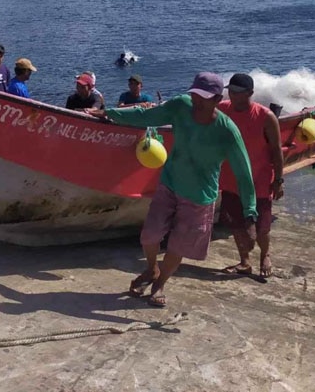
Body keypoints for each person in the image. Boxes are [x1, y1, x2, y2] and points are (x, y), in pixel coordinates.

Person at [87, 72, 256, 308]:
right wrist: (109, 113)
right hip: (170, 183)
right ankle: (151, 269)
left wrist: (250, 213)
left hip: (199, 195)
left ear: (218, 99)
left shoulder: (227, 131)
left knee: (178, 246)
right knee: (150, 235)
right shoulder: (181, 105)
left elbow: (244, 173)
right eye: (194, 94)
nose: (196, 101)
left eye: (204, 97)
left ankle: (160, 285)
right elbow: (147, 115)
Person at [217, 73, 284, 279]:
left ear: (250, 93)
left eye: (238, 92)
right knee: (236, 225)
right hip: (231, 180)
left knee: (261, 227)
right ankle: (244, 261)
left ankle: (265, 255)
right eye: (230, 91)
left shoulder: (266, 117)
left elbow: (276, 150)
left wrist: (278, 181)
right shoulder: (222, 109)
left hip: (260, 181)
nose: (233, 96)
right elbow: (197, 112)